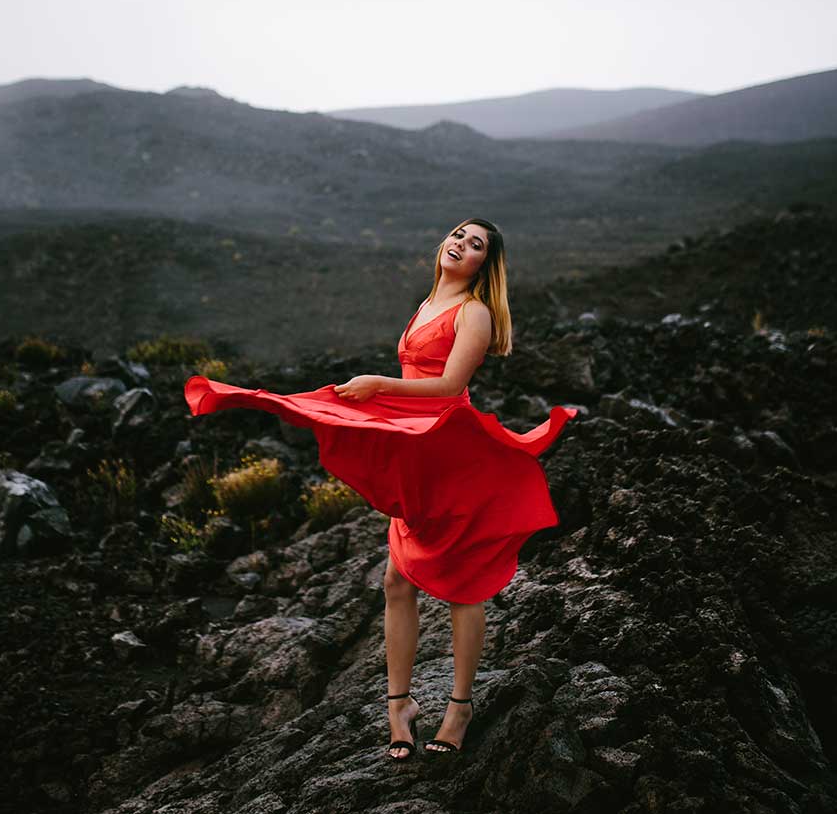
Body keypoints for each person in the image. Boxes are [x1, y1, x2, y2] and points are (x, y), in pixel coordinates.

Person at [183, 217, 578, 761]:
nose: (460, 244)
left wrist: (376, 385)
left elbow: (447, 387)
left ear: (484, 265)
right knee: (397, 580)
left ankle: (459, 707)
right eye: (458, 235)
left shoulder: (476, 312)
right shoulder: (426, 304)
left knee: (465, 585)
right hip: (416, 448)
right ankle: (399, 705)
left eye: (475, 245)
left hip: (451, 452)